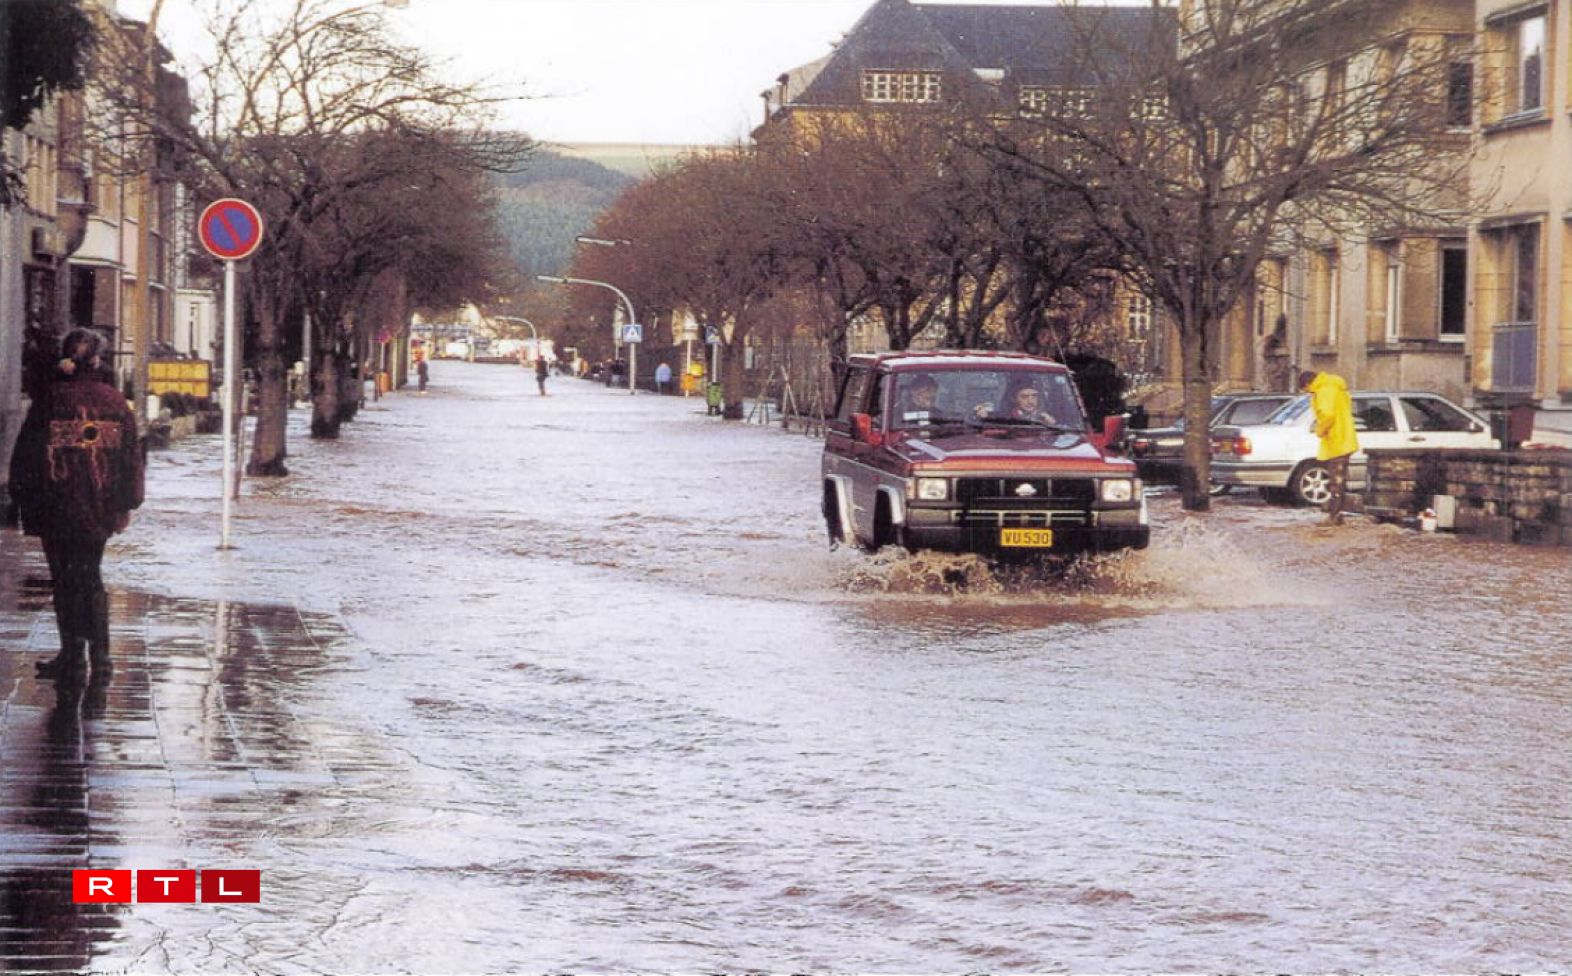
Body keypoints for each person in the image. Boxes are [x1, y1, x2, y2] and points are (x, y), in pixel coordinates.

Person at [8, 329, 145, 681]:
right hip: (99, 506)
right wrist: (128, 503)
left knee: (64, 580)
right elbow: (131, 458)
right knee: (91, 577)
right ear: (97, 361)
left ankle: (72, 654)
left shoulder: (50, 400)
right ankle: (101, 657)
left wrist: (22, 501)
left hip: (54, 506)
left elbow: (26, 456)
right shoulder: (115, 402)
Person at [1299, 368, 1359, 525]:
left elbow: (1327, 415)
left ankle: (1335, 516)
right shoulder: (1334, 387)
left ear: (1308, 384)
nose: (1309, 393)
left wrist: (1320, 430)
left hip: (1337, 440)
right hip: (1342, 438)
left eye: (1307, 390)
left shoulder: (1324, 390)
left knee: (1336, 479)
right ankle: (1337, 514)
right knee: (1338, 478)